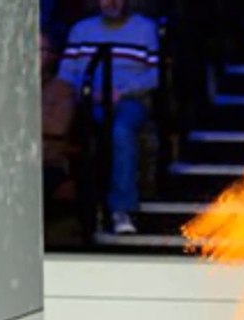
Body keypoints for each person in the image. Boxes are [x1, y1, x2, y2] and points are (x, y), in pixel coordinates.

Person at [56, 0, 159, 235]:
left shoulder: (144, 28)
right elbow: (66, 73)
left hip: (129, 100)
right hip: (88, 102)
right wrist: (89, 92)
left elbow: (153, 76)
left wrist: (122, 91)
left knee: (120, 130)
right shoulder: (81, 30)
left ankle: (122, 209)